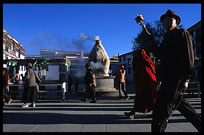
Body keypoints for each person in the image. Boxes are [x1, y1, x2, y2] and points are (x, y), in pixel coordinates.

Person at [147, 9, 201, 132]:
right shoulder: (167, 37)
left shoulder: (182, 33)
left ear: (176, 22)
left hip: (176, 79)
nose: (167, 22)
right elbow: (160, 55)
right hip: (167, 78)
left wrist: (186, 78)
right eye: (165, 20)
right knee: (185, 109)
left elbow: (189, 57)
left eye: (171, 20)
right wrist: (152, 42)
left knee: (161, 112)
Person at [124, 49, 157, 119]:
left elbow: (141, 73)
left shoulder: (142, 62)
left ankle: (133, 113)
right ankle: (154, 113)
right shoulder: (149, 61)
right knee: (151, 99)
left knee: (141, 99)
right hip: (151, 84)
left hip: (145, 84)